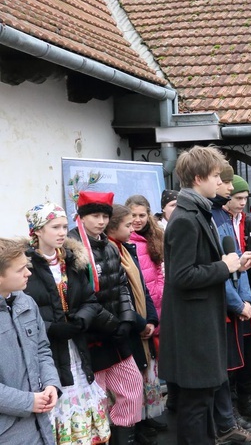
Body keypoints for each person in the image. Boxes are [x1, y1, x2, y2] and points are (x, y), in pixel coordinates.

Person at [158, 145, 251, 445]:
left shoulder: (199, 212)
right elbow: (182, 276)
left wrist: (235, 263)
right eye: (216, 176)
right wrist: (224, 267)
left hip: (201, 326)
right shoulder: (186, 218)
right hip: (193, 331)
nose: (220, 182)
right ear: (199, 178)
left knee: (202, 402)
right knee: (195, 407)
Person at [24, 202, 110, 444]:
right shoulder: (26, 267)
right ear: (38, 231)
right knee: (57, 407)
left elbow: (90, 300)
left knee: (83, 406)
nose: (63, 232)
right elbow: (23, 312)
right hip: (48, 352)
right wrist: (53, 328)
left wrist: (82, 319)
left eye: (64, 226)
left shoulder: (72, 261)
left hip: (76, 349)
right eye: (55, 227)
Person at [67, 190, 144, 445]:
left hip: (116, 334)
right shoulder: (72, 249)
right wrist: (112, 325)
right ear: (82, 217)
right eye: (95, 216)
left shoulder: (109, 246)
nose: (100, 221)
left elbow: (122, 286)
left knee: (132, 389)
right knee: (96, 398)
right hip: (91, 337)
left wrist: (126, 319)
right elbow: (82, 298)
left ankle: (125, 438)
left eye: (104, 216)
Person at [211, 175, 251, 426]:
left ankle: (247, 402)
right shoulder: (218, 220)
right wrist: (238, 304)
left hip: (248, 293)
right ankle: (231, 410)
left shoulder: (248, 221)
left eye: (243, 198)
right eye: (237, 198)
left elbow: (248, 257)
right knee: (231, 358)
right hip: (231, 298)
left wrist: (249, 296)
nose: (241, 203)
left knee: (250, 352)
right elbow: (225, 264)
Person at [105, 204, 163, 445]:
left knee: (144, 373)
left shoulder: (126, 249)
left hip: (139, 320)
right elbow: (121, 295)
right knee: (129, 383)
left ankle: (141, 423)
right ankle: (134, 428)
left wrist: (151, 318)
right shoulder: (109, 252)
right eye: (128, 224)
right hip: (126, 326)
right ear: (113, 227)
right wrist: (140, 323)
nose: (133, 228)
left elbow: (142, 286)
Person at [0, 238, 61, 444]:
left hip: (39, 423)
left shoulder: (25, 302)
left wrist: (51, 383)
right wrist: (27, 402)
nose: (28, 273)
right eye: (20, 270)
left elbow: (42, 349)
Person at [125, 195, 170, 434]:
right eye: (133, 215)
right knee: (138, 368)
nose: (138, 220)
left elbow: (160, 271)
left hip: (156, 307)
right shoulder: (124, 242)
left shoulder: (154, 237)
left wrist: (160, 296)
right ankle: (137, 421)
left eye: (142, 215)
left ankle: (149, 415)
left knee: (151, 367)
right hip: (139, 311)